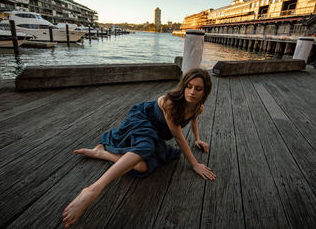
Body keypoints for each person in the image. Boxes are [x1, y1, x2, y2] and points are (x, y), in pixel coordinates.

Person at [62, 68, 216, 227]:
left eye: (198, 89)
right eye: (188, 86)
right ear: (183, 86)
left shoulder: (198, 107)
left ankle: (101, 153)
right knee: (145, 147)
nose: (191, 92)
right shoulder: (170, 103)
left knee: (142, 167)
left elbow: (193, 119)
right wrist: (195, 164)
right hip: (141, 120)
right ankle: (94, 189)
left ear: (205, 92)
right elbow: (178, 137)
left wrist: (197, 139)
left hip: (154, 134)